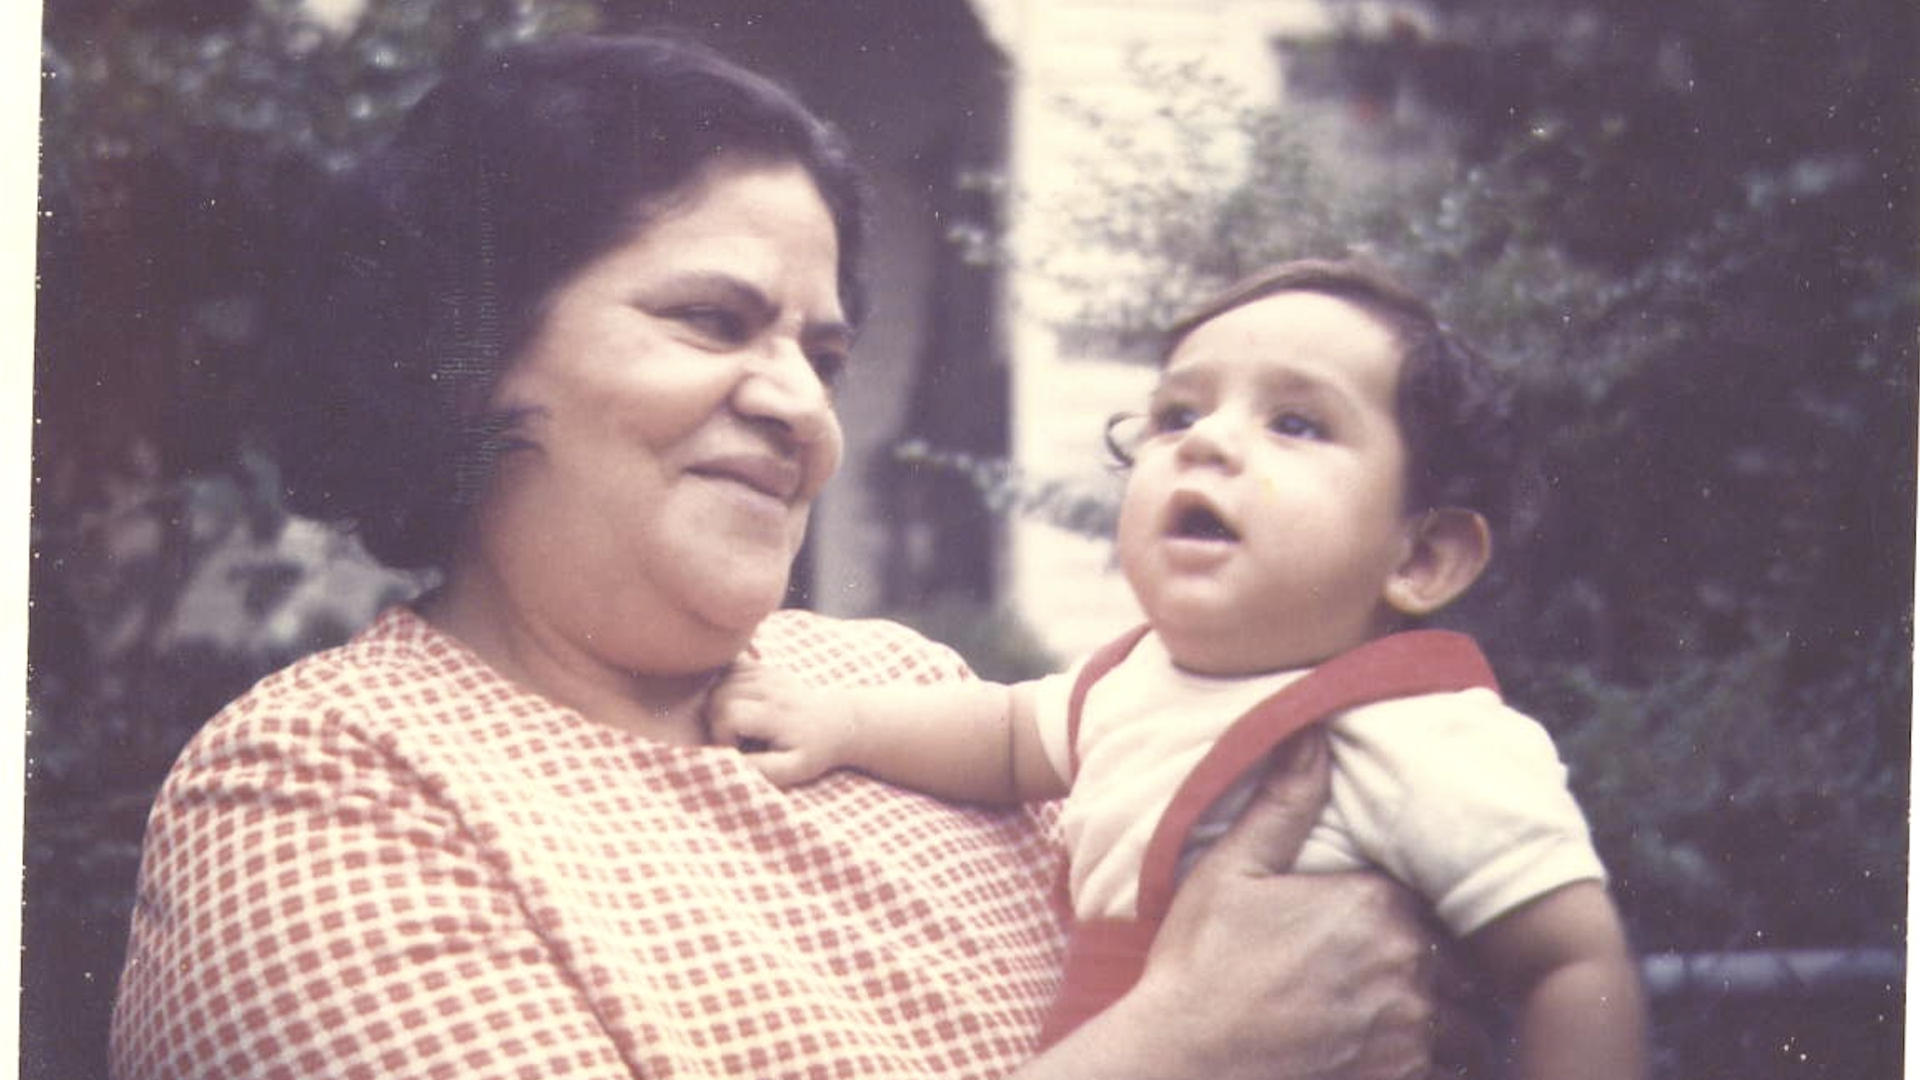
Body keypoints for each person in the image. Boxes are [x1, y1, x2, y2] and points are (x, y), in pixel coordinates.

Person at [110, 35, 1459, 1080]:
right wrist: (1184, 1048)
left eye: (822, 356)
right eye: (713, 321)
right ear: (466, 355)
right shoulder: (319, 785)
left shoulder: (902, 689)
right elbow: (1213, 1013)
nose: (801, 407)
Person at [711, 259, 1651, 1080]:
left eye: (1295, 423)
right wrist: (845, 725)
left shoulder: (1426, 732)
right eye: (1176, 414)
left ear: (1422, 558)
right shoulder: (1130, 686)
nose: (1205, 442)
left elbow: (1572, 964)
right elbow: (1002, 735)